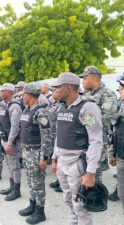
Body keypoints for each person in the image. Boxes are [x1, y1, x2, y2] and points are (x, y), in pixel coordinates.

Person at [51, 72, 103, 225]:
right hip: (62, 161)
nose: (55, 91)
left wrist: (91, 172)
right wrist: (55, 158)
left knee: (80, 205)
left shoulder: (87, 108)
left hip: (76, 163)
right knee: (68, 200)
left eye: (58, 88)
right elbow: (59, 135)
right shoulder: (61, 108)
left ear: (68, 87)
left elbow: (96, 140)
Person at [18, 83, 51, 224]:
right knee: (31, 181)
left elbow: (46, 136)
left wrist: (44, 157)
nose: (22, 97)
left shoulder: (41, 112)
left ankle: (40, 211)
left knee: (38, 182)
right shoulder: (26, 110)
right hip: (27, 151)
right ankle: (32, 204)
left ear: (29, 96)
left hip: (36, 152)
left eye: (23, 95)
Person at [80, 66, 117, 182]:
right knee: (82, 171)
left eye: (85, 78)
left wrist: (83, 119)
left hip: (97, 140)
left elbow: (105, 119)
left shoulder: (108, 95)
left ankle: (96, 198)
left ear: (93, 79)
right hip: (82, 139)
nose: (82, 81)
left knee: (94, 174)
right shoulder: (85, 94)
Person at [0, 83, 22, 201]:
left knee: (15, 166)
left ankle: (16, 190)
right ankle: (12, 186)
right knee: (9, 164)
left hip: (11, 141)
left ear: (10, 92)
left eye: (3, 91)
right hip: (4, 138)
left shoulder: (15, 106)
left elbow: (15, 126)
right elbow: (2, 122)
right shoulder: (3, 105)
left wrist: (10, 143)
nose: (0, 93)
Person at [109, 79, 124, 213]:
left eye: (122, 88)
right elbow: (114, 132)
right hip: (121, 154)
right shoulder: (120, 106)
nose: (119, 90)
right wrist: (112, 153)